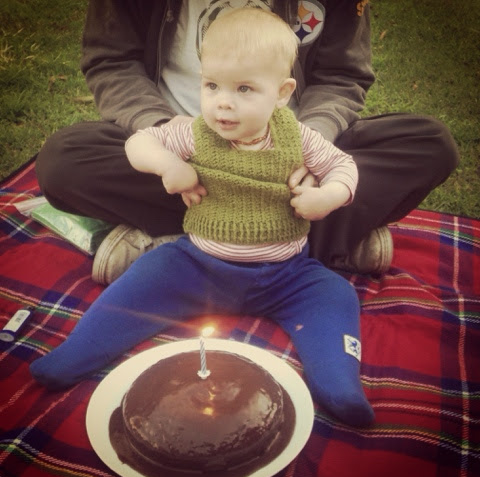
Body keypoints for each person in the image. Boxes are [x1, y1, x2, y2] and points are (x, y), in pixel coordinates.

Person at [31, 8, 375, 428]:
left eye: (244, 89)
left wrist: (328, 196)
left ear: (282, 92)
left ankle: (339, 386)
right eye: (211, 85)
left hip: (287, 275)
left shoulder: (300, 137)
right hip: (197, 266)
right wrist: (168, 165)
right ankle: (74, 355)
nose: (222, 102)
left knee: (336, 296)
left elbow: (343, 165)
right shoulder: (194, 131)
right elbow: (140, 142)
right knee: (141, 282)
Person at [34, 0, 459, 285]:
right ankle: (329, 243)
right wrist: (163, 141)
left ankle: (182, 250)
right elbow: (111, 61)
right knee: (65, 161)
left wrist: (311, 146)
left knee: (428, 143)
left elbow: (342, 76)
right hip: (186, 159)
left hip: (293, 159)